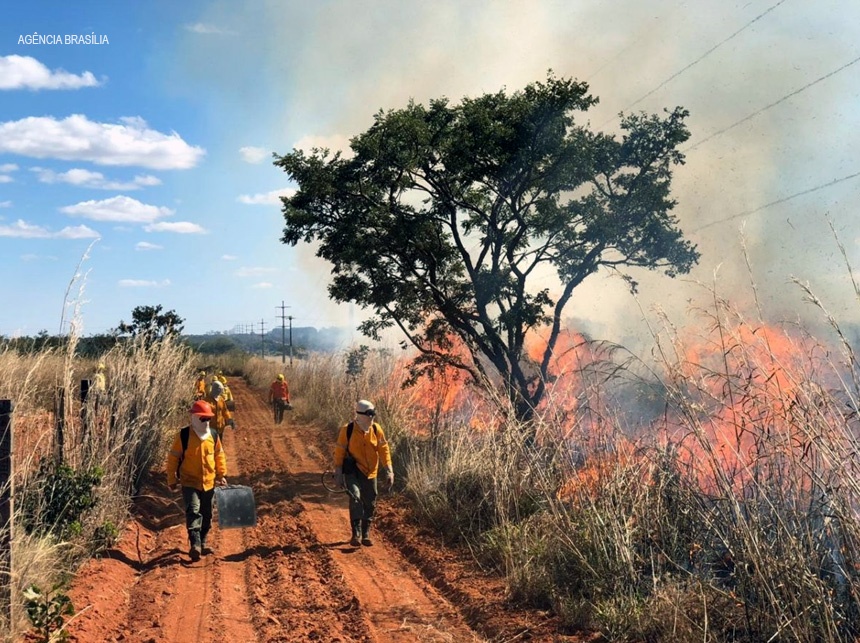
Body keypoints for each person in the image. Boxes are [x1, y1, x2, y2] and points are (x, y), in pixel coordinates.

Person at [166, 400, 227, 561]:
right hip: (189, 482)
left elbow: (219, 456)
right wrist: (171, 479)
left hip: (209, 483)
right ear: (194, 417)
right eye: (203, 418)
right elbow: (173, 458)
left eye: (208, 418)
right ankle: (195, 544)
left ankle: (203, 542)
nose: (206, 421)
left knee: (207, 514)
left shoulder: (213, 435)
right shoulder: (184, 435)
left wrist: (221, 475)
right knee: (193, 511)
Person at [333, 400, 394, 547]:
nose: (372, 417)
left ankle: (366, 533)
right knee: (355, 497)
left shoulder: (376, 429)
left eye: (373, 413)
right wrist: (338, 472)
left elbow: (384, 450)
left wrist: (389, 471)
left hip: (371, 472)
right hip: (353, 471)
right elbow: (339, 451)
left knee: (370, 501)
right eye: (369, 414)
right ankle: (356, 534)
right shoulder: (347, 430)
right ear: (360, 415)